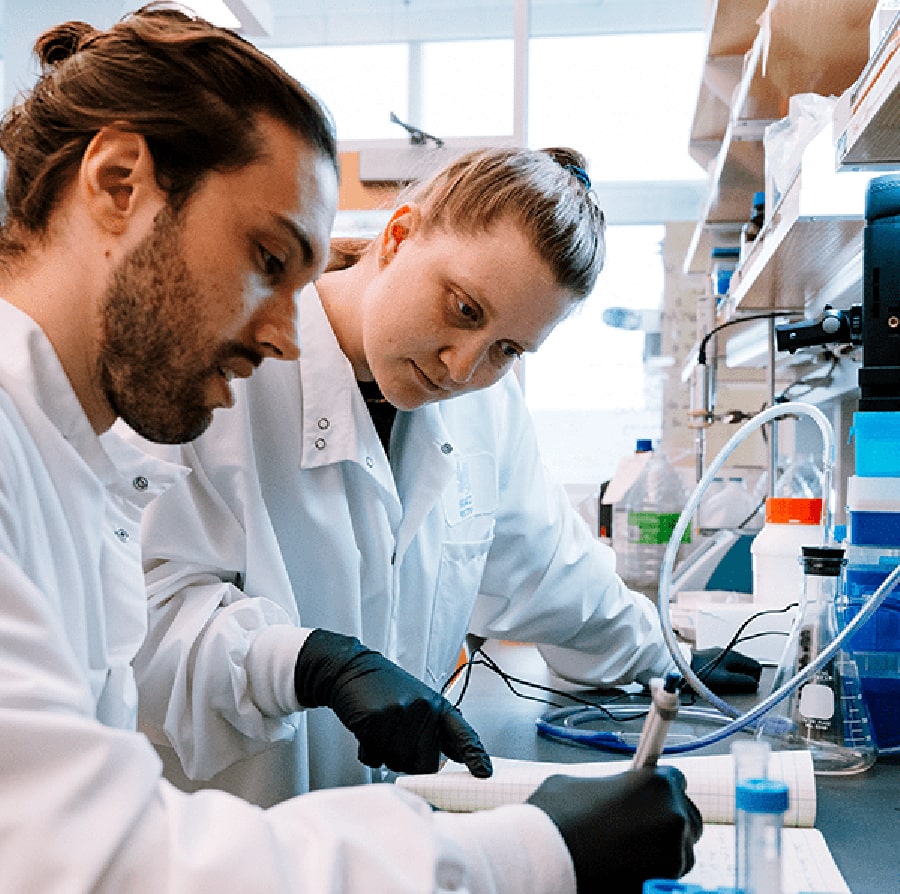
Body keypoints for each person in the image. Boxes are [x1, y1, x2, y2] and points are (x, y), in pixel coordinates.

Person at [0, 5, 701, 892]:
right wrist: (532, 855)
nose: (285, 333)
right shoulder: (49, 441)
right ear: (117, 184)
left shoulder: (65, 449)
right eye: (266, 258)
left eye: (508, 349)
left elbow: (553, 577)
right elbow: (95, 856)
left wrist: (669, 659)